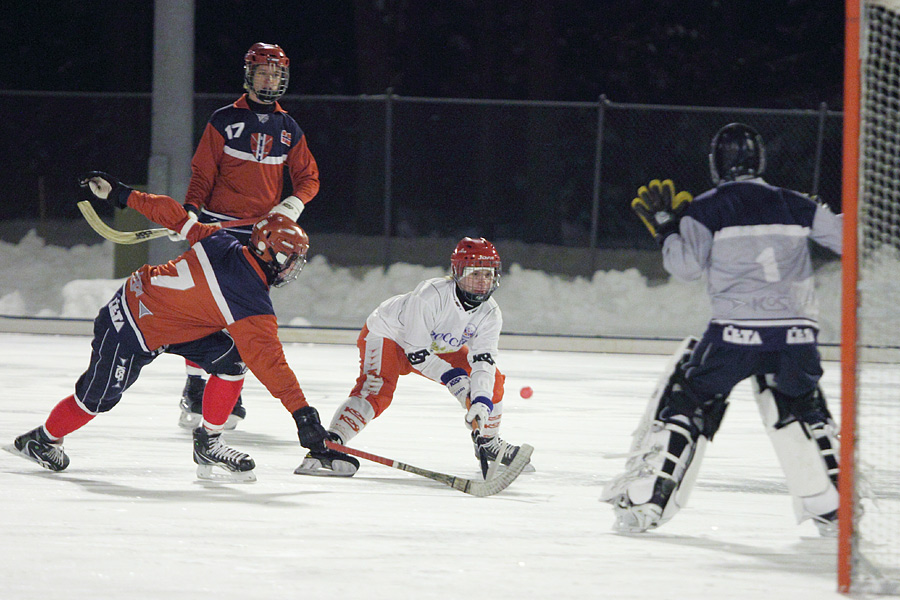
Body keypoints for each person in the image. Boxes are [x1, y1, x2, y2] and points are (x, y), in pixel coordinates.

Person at [5, 171, 356, 482]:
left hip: (167, 320)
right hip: (131, 324)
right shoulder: (250, 301)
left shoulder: (221, 240)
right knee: (95, 400)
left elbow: (172, 213)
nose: (292, 269)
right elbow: (273, 366)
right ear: (269, 253)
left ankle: (209, 443)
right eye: (289, 260)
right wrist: (304, 417)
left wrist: (122, 194)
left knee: (231, 360)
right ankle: (43, 439)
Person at [600, 123, 842, 536]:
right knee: (802, 403)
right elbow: (847, 238)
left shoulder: (707, 208)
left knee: (688, 397)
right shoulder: (795, 203)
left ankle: (646, 500)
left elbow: (686, 268)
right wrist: (817, 212)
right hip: (798, 334)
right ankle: (834, 507)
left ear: (715, 165)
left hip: (735, 333)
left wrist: (668, 228)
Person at [294, 237, 532, 477]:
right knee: (377, 390)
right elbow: (417, 354)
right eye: (475, 274)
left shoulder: (490, 312)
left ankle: (488, 443)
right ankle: (328, 446)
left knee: (494, 383)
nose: (483, 283)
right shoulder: (430, 297)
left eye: (489, 275)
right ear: (458, 273)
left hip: (436, 346)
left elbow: (484, 362)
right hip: (390, 336)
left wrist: (480, 401)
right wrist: (457, 383)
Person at [177, 42, 320, 431]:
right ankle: (194, 386)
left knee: (242, 314)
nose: (270, 79)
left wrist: (290, 206)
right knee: (206, 311)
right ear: (249, 75)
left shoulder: (289, 128)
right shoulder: (223, 120)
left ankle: (228, 383)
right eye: (263, 73)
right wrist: (190, 213)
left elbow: (309, 178)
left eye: (276, 74)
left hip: (260, 238)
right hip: (217, 228)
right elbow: (202, 174)